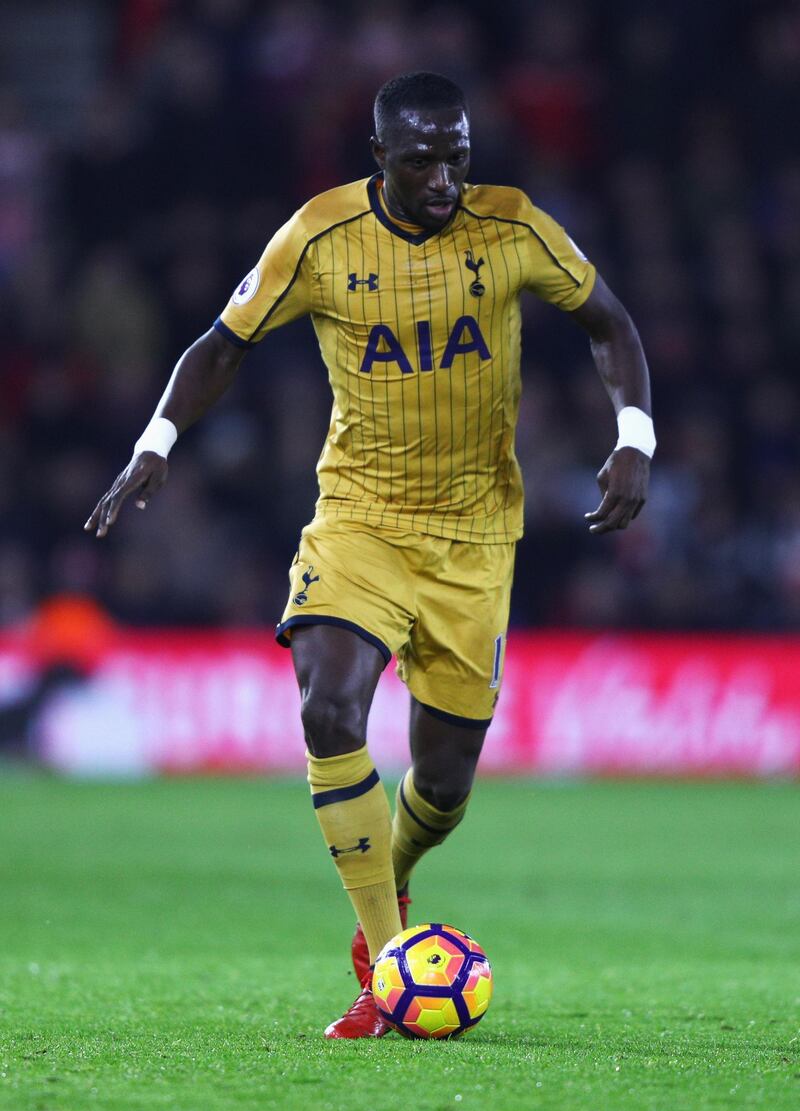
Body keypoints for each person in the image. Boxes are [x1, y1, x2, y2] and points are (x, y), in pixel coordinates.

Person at [85, 72, 653, 1038]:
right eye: (423, 159)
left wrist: (633, 434)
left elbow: (610, 322)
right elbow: (222, 343)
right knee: (329, 701)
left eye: (458, 156)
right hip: (360, 516)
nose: (444, 177)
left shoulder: (513, 228)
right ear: (380, 158)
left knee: (444, 783)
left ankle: (385, 884)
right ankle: (391, 960)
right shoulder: (317, 237)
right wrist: (155, 444)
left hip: (476, 534)